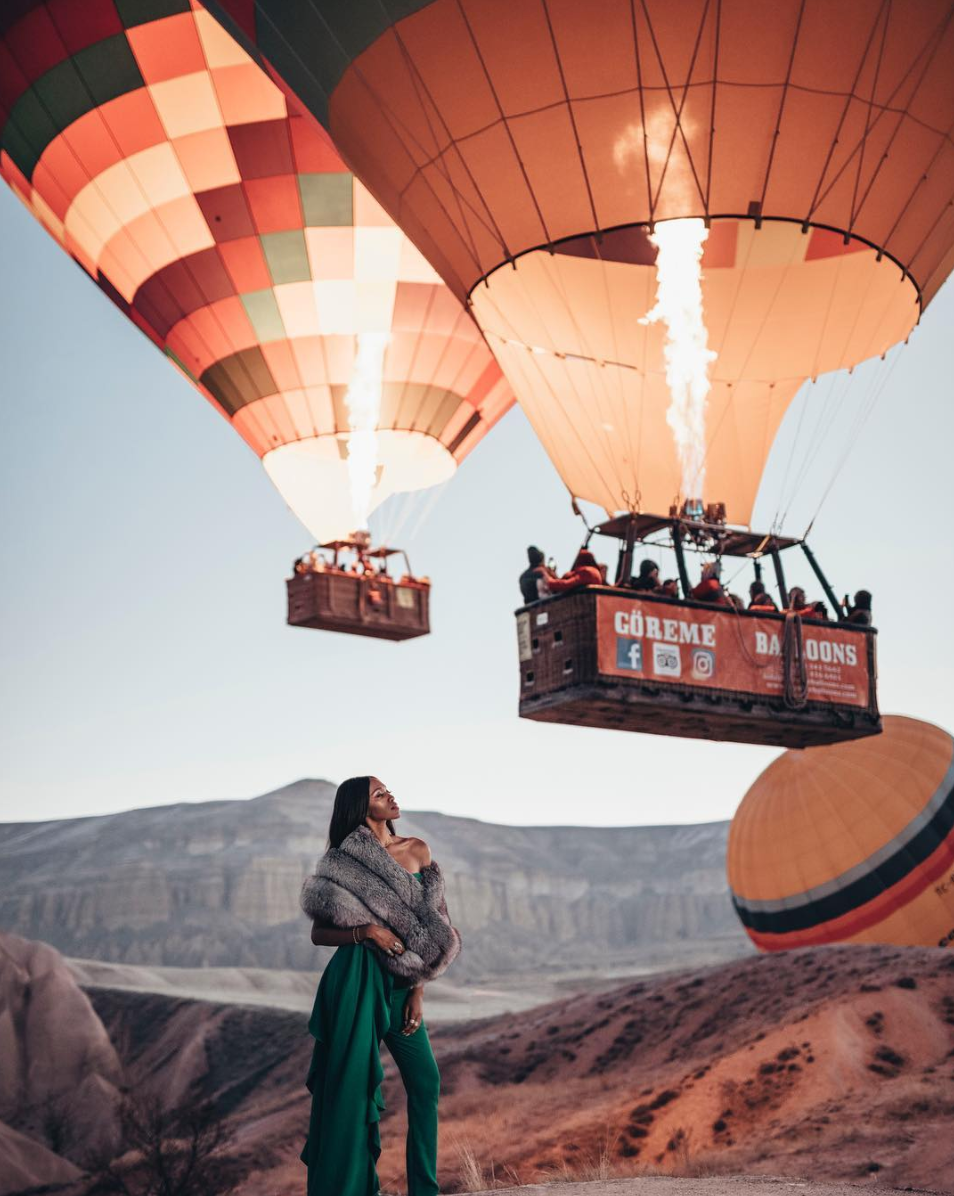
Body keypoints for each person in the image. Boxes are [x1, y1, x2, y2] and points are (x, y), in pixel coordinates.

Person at [301, 777, 460, 1196]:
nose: (390, 796)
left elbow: (437, 926)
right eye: (378, 793)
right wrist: (367, 931)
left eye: (388, 790)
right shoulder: (341, 862)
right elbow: (320, 932)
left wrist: (418, 988)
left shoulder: (417, 849)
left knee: (426, 1084)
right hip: (356, 984)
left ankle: (424, 1190)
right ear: (360, 807)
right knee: (350, 1094)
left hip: (400, 989)